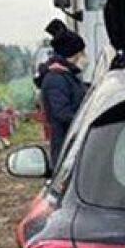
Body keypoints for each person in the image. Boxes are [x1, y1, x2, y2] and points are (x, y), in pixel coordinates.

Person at [35, 19, 88, 164]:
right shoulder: (56, 80)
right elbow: (62, 113)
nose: (85, 57)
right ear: (73, 55)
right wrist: (87, 121)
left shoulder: (66, 76)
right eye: (82, 52)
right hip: (65, 147)